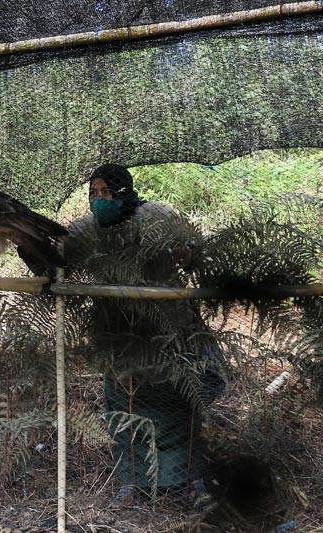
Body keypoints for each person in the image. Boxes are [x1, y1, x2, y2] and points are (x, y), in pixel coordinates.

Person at [64, 164, 225, 498]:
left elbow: (194, 253)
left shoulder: (158, 216)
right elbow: (62, 260)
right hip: (117, 332)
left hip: (168, 326)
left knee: (179, 401)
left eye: (105, 192)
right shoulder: (85, 229)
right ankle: (132, 480)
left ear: (123, 191)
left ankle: (191, 479)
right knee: (124, 406)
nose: (97, 199)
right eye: (92, 193)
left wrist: (176, 252)